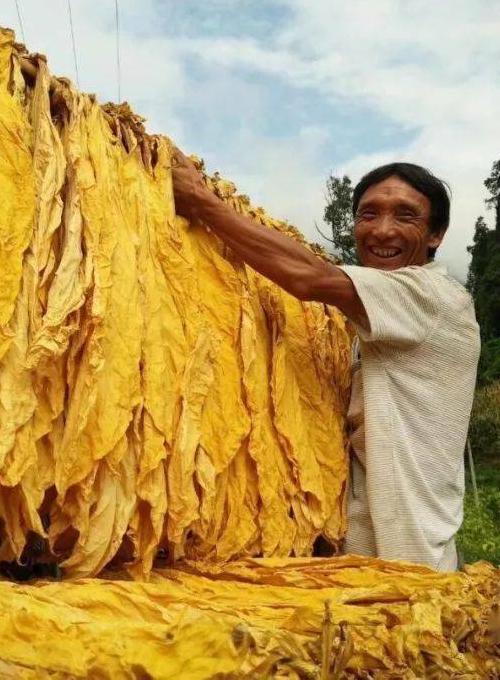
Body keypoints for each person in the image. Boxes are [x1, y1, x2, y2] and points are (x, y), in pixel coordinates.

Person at [170, 152, 480, 571]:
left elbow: (309, 277)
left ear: (435, 235)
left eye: (405, 217)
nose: (382, 230)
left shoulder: (430, 296)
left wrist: (201, 202)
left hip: (409, 560)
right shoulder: (376, 324)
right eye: (368, 214)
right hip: (369, 558)